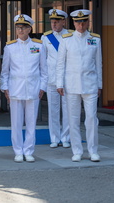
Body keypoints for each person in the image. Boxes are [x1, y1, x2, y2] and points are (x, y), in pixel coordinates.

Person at [56, 9, 102, 162]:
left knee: (91, 119)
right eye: (77, 22)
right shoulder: (66, 39)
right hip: (72, 84)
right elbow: (60, 63)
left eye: (83, 22)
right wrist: (59, 83)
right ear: (73, 23)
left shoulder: (95, 39)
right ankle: (77, 150)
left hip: (90, 84)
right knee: (73, 119)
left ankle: (93, 150)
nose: (81, 25)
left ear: (88, 22)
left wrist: (100, 84)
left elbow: (98, 64)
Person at [0, 14, 48, 163]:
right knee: (16, 123)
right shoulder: (10, 47)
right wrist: (5, 88)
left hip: (33, 89)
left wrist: (42, 87)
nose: (20, 30)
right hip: (15, 89)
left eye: (23, 27)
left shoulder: (38, 46)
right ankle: (18, 151)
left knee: (31, 123)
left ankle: (28, 150)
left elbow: (44, 70)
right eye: (18, 27)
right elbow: (5, 71)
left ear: (29, 29)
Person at [42, 9, 71, 149]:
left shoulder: (70, 36)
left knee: (67, 110)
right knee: (53, 110)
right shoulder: (46, 37)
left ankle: (66, 137)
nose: (53, 24)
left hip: (66, 78)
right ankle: (54, 138)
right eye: (52, 22)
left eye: (57, 21)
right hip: (52, 79)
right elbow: (43, 59)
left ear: (63, 22)